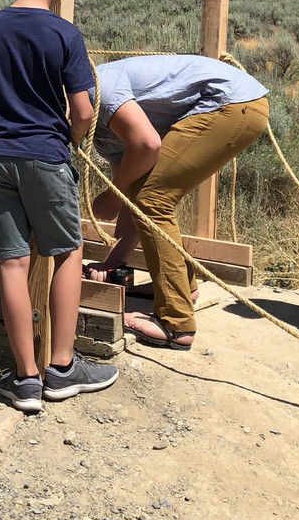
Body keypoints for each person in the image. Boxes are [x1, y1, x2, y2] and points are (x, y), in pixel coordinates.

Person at [0, 0, 117, 413]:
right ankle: (62, 368)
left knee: (12, 262)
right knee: (67, 252)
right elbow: (83, 110)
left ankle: (26, 379)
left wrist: (0, 123)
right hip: (46, 155)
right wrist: (69, 137)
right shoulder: (64, 34)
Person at [86, 54, 269, 350]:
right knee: (146, 196)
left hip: (230, 103)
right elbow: (132, 198)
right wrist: (112, 264)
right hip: (236, 103)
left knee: (153, 197)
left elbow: (146, 148)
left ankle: (175, 322)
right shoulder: (102, 133)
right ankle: (184, 288)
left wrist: (111, 196)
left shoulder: (98, 88)